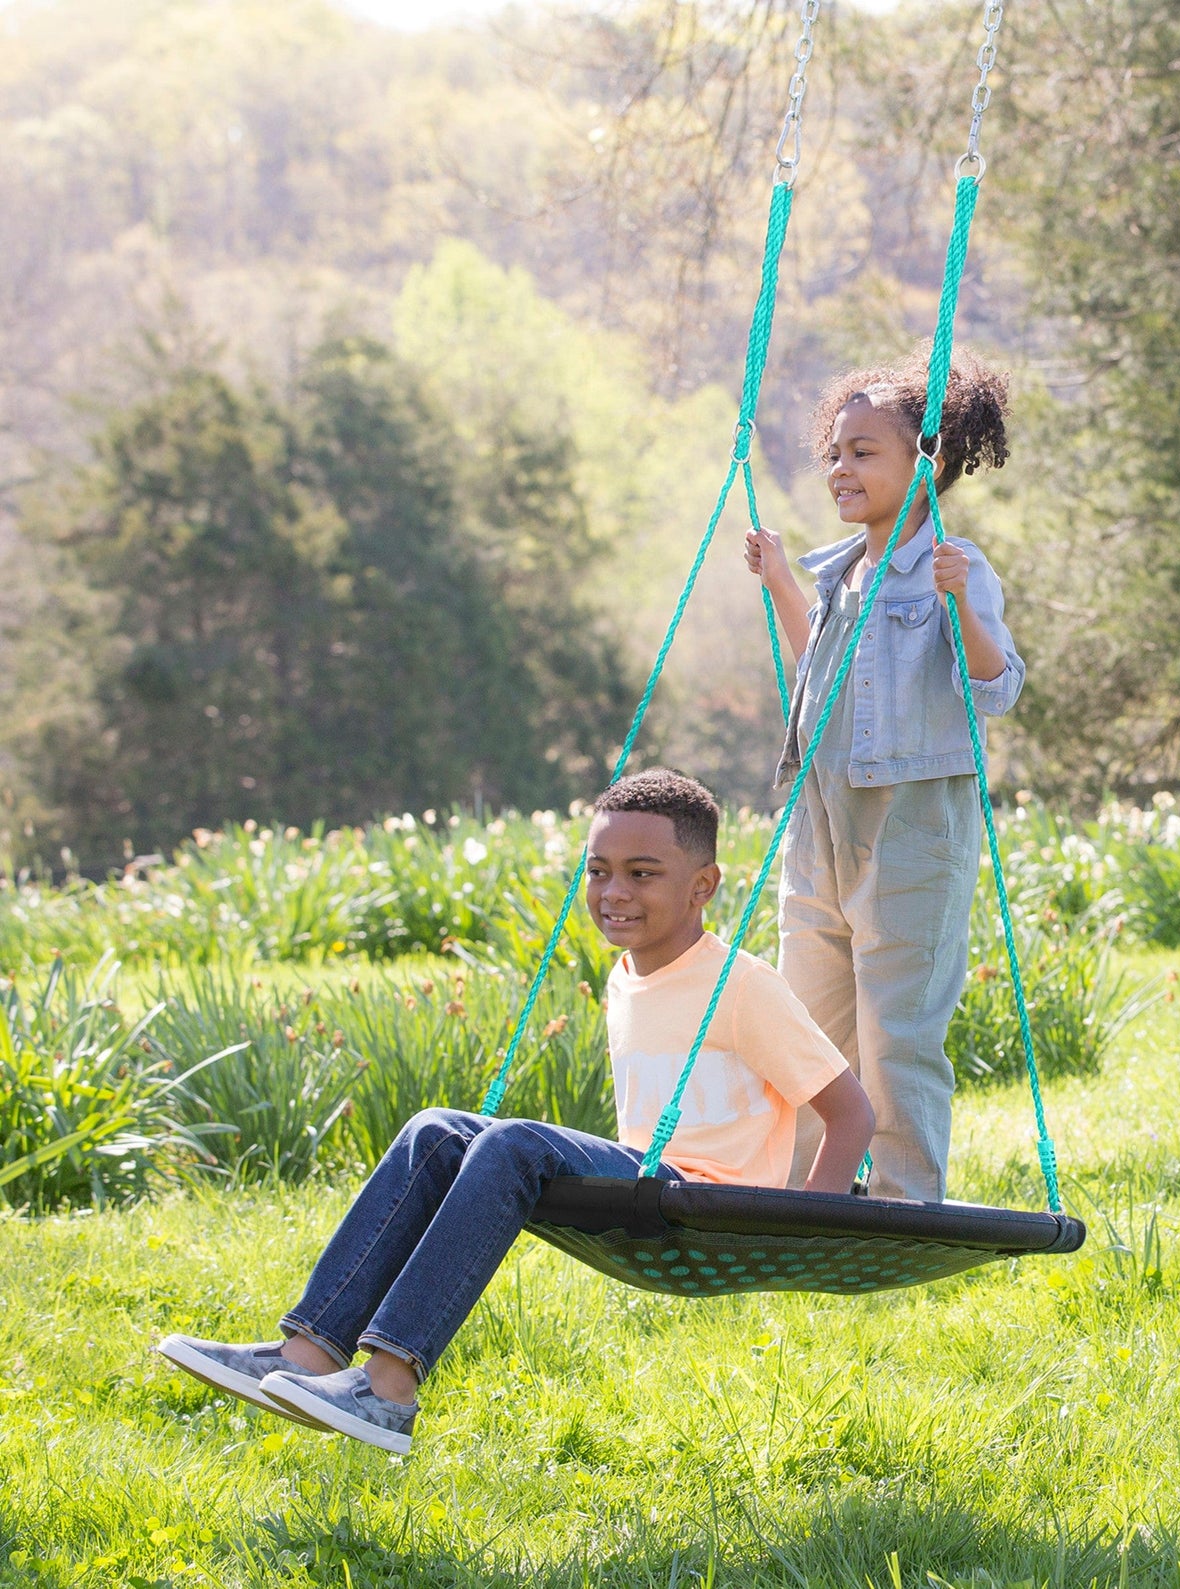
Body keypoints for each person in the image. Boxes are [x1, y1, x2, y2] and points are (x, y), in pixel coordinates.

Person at [158, 770, 874, 1454]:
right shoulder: (624, 976)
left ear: (703, 886)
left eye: (641, 872)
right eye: (597, 870)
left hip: (708, 1206)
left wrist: (802, 1230)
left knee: (513, 1144)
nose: (612, 891)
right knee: (435, 1129)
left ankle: (388, 1389)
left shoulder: (744, 985)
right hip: (648, 1190)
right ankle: (310, 1349)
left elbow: (849, 1113)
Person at [744, 348, 1021, 1205]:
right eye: (834, 451)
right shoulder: (837, 575)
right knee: (809, 1023)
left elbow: (997, 688)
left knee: (895, 1028)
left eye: (863, 451)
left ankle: (905, 1202)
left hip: (909, 829)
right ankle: (797, 1196)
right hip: (820, 822)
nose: (839, 467)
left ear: (922, 465)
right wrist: (786, 581)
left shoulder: (951, 563)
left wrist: (960, 605)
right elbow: (814, 682)